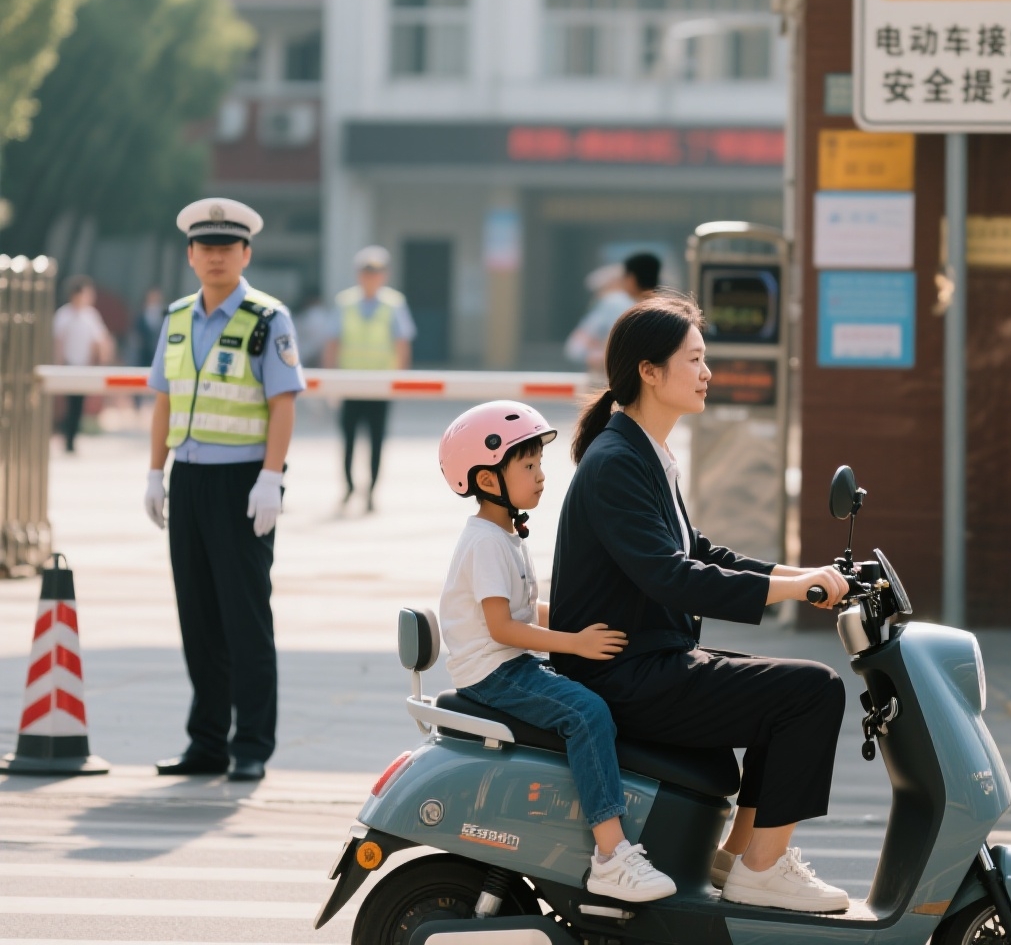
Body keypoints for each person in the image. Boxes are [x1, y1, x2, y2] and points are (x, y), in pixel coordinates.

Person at [549, 295, 853, 913]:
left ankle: (737, 857)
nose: (707, 372)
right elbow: (673, 577)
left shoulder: (644, 453)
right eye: (694, 359)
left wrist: (804, 575)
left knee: (784, 691)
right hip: (622, 674)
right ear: (649, 372)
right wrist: (794, 588)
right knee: (812, 692)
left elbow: (701, 551)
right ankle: (763, 870)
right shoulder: (616, 462)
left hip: (645, 661)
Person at [438, 401, 676, 903]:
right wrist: (575, 644)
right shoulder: (485, 542)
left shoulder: (504, 534)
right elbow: (502, 628)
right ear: (485, 480)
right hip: (493, 672)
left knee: (597, 691)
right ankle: (611, 854)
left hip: (507, 663)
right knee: (587, 712)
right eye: (527, 467)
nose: (541, 476)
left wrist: (581, 625)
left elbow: (527, 610)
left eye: (539, 464)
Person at [143, 197, 306, 782]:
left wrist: (271, 476)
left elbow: (281, 403)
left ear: (246, 254)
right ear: (190, 255)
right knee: (198, 616)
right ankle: (206, 740)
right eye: (205, 247)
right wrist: (154, 472)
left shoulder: (268, 319)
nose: (215, 257)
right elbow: (163, 398)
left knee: (244, 618)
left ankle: (252, 743)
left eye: (226, 247)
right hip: (188, 479)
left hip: (243, 482)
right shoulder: (179, 317)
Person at [323, 246, 415, 511]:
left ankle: (371, 491)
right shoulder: (345, 302)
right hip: (350, 385)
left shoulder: (393, 303)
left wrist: (399, 381)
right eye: (366, 271)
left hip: (379, 387)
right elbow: (332, 342)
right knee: (348, 441)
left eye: (375, 271)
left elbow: (402, 344)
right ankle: (349, 488)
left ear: (384, 275)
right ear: (358, 274)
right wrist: (331, 381)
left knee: (376, 442)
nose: (370, 276)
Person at [52, 276, 114, 452]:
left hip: (84, 366)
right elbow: (59, 342)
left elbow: (100, 340)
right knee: (68, 404)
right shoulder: (63, 315)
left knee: (78, 404)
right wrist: (59, 364)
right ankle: (67, 438)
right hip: (68, 365)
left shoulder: (90, 315)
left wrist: (102, 362)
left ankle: (71, 438)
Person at [563, 262, 633, 375]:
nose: (597, 295)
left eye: (600, 289)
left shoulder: (613, 301)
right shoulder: (628, 302)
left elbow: (575, 348)